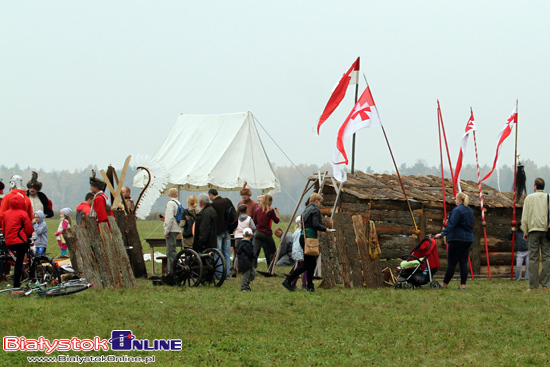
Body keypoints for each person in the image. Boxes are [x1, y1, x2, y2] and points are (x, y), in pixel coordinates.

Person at [282, 193, 329, 292]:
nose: (320, 203)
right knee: (307, 264)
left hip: (303, 237)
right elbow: (316, 224)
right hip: (310, 239)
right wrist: (325, 229)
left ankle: (310, 286)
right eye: (320, 201)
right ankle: (288, 281)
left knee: (311, 264)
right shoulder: (315, 209)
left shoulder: (306, 210)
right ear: (316, 200)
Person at [434, 192, 474, 289]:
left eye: (456, 199)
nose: (455, 201)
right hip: (468, 239)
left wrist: (442, 233)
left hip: (456, 238)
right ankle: (462, 285)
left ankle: (444, 284)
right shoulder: (470, 211)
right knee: (463, 262)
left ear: (459, 200)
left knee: (452, 262)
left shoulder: (457, 210)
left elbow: (452, 225)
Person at [521, 177, 550, 291]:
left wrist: (525, 231)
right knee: (547, 258)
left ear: (535, 186)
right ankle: (546, 284)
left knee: (533, 258)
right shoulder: (548, 197)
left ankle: (533, 286)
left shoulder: (529, 198)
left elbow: (525, 216)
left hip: (533, 230)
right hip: (546, 230)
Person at [2, 194, 33, 287]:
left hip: (9, 241)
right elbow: (28, 229)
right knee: (19, 263)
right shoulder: (23, 214)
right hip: (20, 241)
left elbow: (3, 228)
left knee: (12, 259)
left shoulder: (5, 214)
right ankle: (16, 283)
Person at [209, 188, 232, 279]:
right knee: (227, 253)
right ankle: (227, 274)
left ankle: (219, 274)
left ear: (211, 195)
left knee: (218, 252)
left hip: (218, 231)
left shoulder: (213, 204)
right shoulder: (226, 201)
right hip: (227, 230)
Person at [252, 194, 280, 270]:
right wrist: (277, 212)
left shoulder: (257, 210)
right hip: (266, 233)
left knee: (255, 251)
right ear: (269, 201)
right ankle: (270, 267)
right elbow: (276, 221)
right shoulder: (270, 210)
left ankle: (252, 267)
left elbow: (254, 222)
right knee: (272, 251)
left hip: (258, 233)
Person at [233, 204, 256, 274]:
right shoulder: (249, 218)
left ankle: (235, 268)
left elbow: (233, 226)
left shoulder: (236, 218)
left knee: (237, 254)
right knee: (246, 253)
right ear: (246, 210)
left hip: (237, 237)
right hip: (246, 237)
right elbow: (254, 227)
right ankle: (246, 268)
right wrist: (250, 232)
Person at [163, 188, 181, 273]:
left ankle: (172, 270)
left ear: (169, 195)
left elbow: (170, 218)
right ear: (176, 195)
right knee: (172, 249)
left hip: (171, 229)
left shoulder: (170, 203)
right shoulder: (178, 203)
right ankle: (174, 269)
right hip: (177, 227)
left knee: (170, 252)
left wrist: (166, 231)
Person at [290, 216, 307, 289]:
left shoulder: (296, 232)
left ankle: (293, 283)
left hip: (296, 252)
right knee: (305, 268)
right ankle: (304, 284)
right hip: (301, 252)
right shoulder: (302, 232)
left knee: (299, 268)